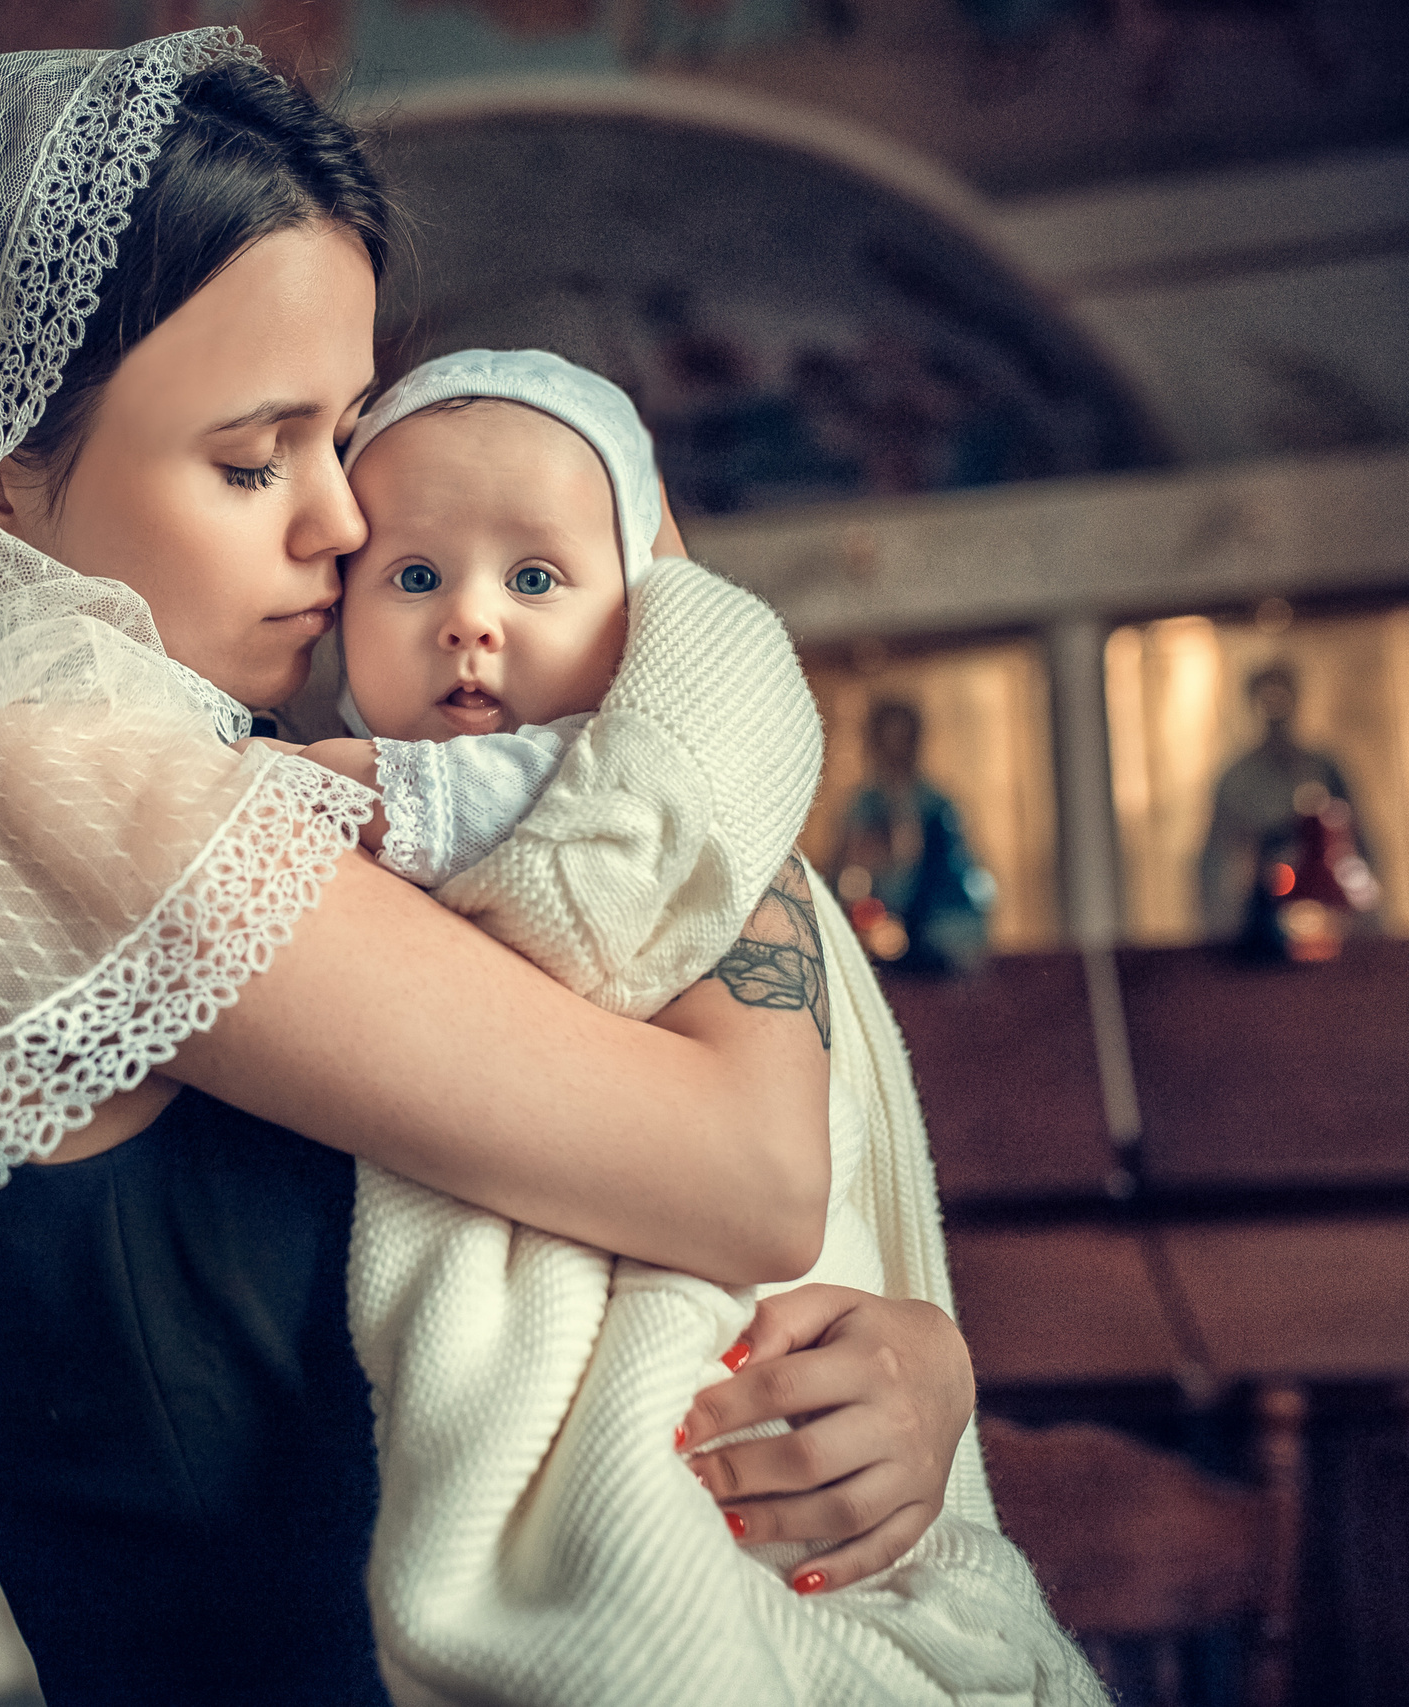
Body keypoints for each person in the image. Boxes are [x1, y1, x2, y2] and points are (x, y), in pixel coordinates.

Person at [0, 32, 982, 1698]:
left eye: (343, 436)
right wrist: (672, 666)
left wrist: (903, 1361)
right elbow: (746, 1165)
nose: (338, 521)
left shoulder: (236, 775)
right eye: (254, 457)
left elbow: (630, 1240)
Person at [287, 350, 1091, 1701]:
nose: (469, 621)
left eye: (534, 578)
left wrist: (355, 786)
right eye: (413, 575)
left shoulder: (619, 787)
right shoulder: (252, 833)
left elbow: (585, 828)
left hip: (758, 1335)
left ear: (639, 609)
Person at [1199, 659, 1363, 948]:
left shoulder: (1323, 769)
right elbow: (1217, 857)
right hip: (1257, 918)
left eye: (1282, 694)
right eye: (1266, 697)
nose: (1275, 706)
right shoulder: (1237, 778)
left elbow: (1354, 845)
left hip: (1324, 913)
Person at [837, 699, 995, 976]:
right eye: (887, 742)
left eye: (903, 740)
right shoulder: (864, 806)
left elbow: (963, 877)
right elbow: (847, 872)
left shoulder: (939, 807)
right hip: (875, 937)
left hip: (935, 937)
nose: (895, 752)